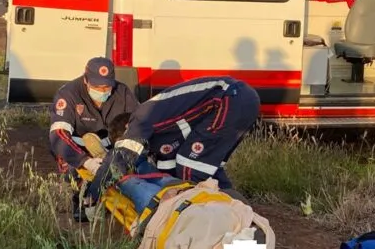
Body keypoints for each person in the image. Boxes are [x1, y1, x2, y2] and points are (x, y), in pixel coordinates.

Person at [83, 76, 260, 208]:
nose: (140, 150)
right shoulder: (160, 134)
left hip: (229, 98)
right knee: (206, 169)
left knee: (190, 166)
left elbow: (119, 159)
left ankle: (204, 213)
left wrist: (93, 194)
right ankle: (237, 208)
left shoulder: (141, 117)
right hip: (241, 99)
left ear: (128, 129)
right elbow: (168, 174)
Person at [48, 56, 138, 221]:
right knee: (84, 204)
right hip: (77, 150)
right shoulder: (68, 94)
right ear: (86, 79)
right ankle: (81, 198)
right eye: (97, 86)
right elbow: (58, 135)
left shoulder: (123, 92)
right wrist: (85, 161)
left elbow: (136, 124)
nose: (103, 92)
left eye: (107, 87)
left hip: (111, 149)